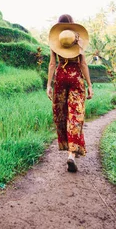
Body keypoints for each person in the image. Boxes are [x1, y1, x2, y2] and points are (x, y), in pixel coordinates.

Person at [46, 14, 93, 173]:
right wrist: (90, 85)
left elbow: (52, 64)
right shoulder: (78, 42)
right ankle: (71, 154)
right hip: (76, 78)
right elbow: (83, 64)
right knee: (75, 114)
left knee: (62, 114)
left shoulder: (56, 43)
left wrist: (48, 85)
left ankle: (69, 148)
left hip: (60, 77)